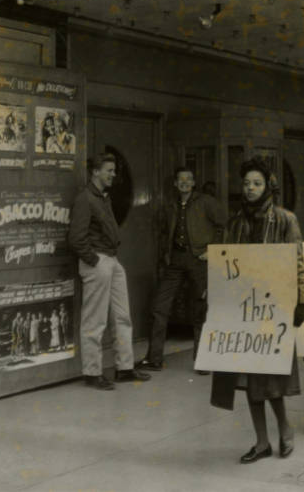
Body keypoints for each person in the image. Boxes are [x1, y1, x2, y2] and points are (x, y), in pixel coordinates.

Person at [210, 158, 304, 464]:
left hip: (273, 309)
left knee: (271, 378)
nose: (251, 189)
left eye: (257, 183)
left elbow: (298, 263)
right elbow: (225, 266)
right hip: (243, 310)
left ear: (269, 186)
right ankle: (262, 441)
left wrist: (302, 300)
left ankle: (285, 428)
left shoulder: (284, 220)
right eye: (247, 183)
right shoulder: (235, 223)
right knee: (250, 379)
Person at [68, 153, 151, 390]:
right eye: (109, 170)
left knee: (122, 316)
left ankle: (124, 368)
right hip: (99, 261)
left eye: (114, 171)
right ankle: (92, 373)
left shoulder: (102, 198)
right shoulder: (86, 198)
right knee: (95, 320)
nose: (114, 175)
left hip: (111, 260)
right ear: (95, 172)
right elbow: (76, 238)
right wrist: (94, 260)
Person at [139, 167, 226, 373]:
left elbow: (223, 226)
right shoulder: (170, 205)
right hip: (175, 261)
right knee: (160, 307)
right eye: (181, 180)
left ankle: (202, 360)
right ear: (175, 184)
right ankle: (154, 358)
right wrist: (165, 256)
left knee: (200, 309)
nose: (185, 183)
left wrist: (212, 250)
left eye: (189, 179)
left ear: (194, 183)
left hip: (198, 260)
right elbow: (161, 233)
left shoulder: (206, 202)